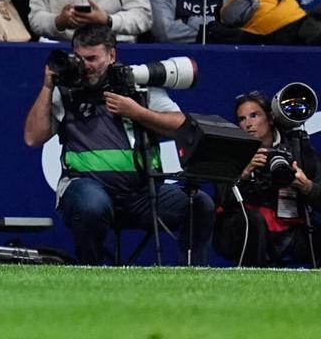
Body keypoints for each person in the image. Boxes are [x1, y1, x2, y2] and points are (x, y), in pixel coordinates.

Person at [23, 24, 214, 265]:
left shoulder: (138, 86)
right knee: (91, 204)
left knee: (199, 204)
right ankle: (90, 274)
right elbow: (32, 137)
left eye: (92, 58)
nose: (85, 66)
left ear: (112, 55)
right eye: (80, 58)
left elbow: (181, 125)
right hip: (86, 188)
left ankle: (193, 274)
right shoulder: (66, 90)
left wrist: (137, 112)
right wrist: (47, 87)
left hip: (144, 194)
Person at [214, 90, 321, 266]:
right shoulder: (231, 152)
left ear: (270, 118)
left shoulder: (297, 148)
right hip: (245, 228)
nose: (248, 124)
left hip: (292, 229)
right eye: (242, 119)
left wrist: (307, 187)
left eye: (254, 115)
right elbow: (221, 201)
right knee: (253, 220)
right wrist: (243, 174)